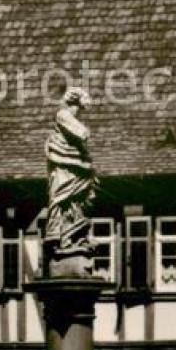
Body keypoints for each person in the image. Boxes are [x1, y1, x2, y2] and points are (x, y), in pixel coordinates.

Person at [45, 87, 98, 256]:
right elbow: (82, 133)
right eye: (80, 106)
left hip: (74, 165)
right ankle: (57, 235)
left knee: (76, 199)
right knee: (60, 197)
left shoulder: (68, 116)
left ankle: (76, 235)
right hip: (64, 166)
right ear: (74, 102)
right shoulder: (63, 115)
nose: (79, 111)